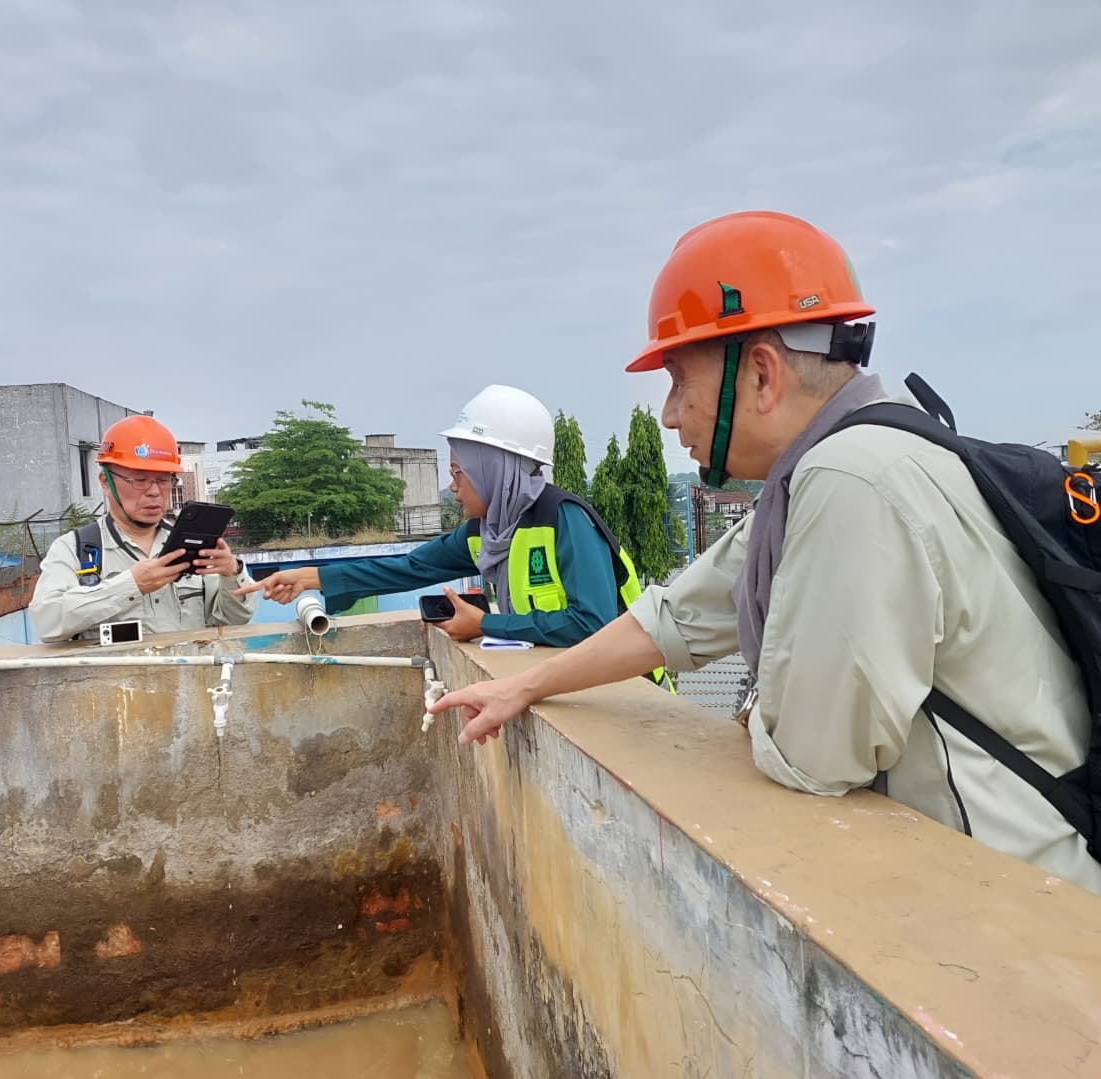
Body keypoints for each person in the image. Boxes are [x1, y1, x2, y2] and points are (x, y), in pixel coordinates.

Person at [429, 210, 1101, 894]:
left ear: (761, 375)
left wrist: (760, 710)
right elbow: (671, 618)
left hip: (1026, 901)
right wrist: (522, 686)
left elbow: (812, 759)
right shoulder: (820, 476)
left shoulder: (852, 480)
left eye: (679, 380)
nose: (668, 413)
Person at [239, 386, 669, 684]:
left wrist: (485, 623)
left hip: (633, 694)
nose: (452, 487)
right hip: (573, 686)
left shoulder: (565, 520)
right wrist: (310, 577)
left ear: (495, 471)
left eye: (461, 474)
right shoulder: (486, 531)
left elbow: (591, 623)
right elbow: (406, 568)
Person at [30, 414, 258, 642]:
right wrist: (131, 585)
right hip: (114, 679)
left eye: (163, 480)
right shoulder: (76, 549)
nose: (154, 491)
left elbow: (234, 619)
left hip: (189, 677)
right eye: (140, 480)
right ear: (105, 481)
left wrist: (231, 572)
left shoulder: (192, 548)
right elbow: (47, 623)